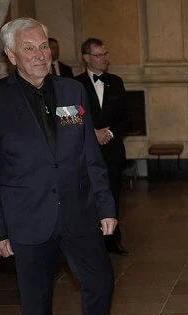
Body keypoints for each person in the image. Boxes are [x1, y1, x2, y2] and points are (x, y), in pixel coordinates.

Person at [0, 18, 135, 315]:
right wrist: (0, 229)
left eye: (44, 46)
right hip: (27, 218)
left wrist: (107, 207)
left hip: (78, 211)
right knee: (36, 302)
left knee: (101, 280)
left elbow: (90, 156)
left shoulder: (72, 90)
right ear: (11, 56)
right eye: (29, 48)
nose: (40, 54)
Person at [76, 38, 132, 254]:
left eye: (105, 54)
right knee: (86, 198)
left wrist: (108, 133)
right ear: (87, 58)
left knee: (113, 194)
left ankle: (113, 239)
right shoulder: (73, 84)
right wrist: (92, 134)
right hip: (84, 152)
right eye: (99, 55)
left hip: (111, 151)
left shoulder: (116, 82)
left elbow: (127, 118)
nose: (105, 59)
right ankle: (90, 241)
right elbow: (68, 118)